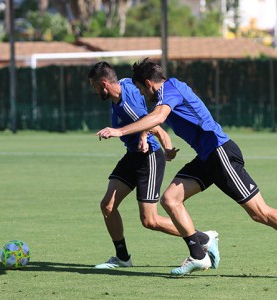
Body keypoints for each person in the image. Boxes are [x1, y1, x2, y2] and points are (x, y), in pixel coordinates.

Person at [95, 58, 277, 278]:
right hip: (207, 158)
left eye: (142, 89)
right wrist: (145, 135)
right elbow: (152, 118)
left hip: (221, 153)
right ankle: (199, 255)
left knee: (260, 213)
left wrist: (119, 131)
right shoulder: (163, 95)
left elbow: (157, 117)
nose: (142, 94)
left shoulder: (171, 89)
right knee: (170, 199)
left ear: (148, 83)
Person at [88, 61, 219, 269]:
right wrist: (144, 135)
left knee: (150, 220)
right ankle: (123, 258)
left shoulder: (126, 102)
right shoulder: (124, 85)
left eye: (94, 86)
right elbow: (144, 113)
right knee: (107, 205)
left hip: (148, 157)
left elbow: (153, 122)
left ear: (103, 83)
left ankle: (203, 239)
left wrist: (160, 142)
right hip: (133, 155)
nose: (93, 91)